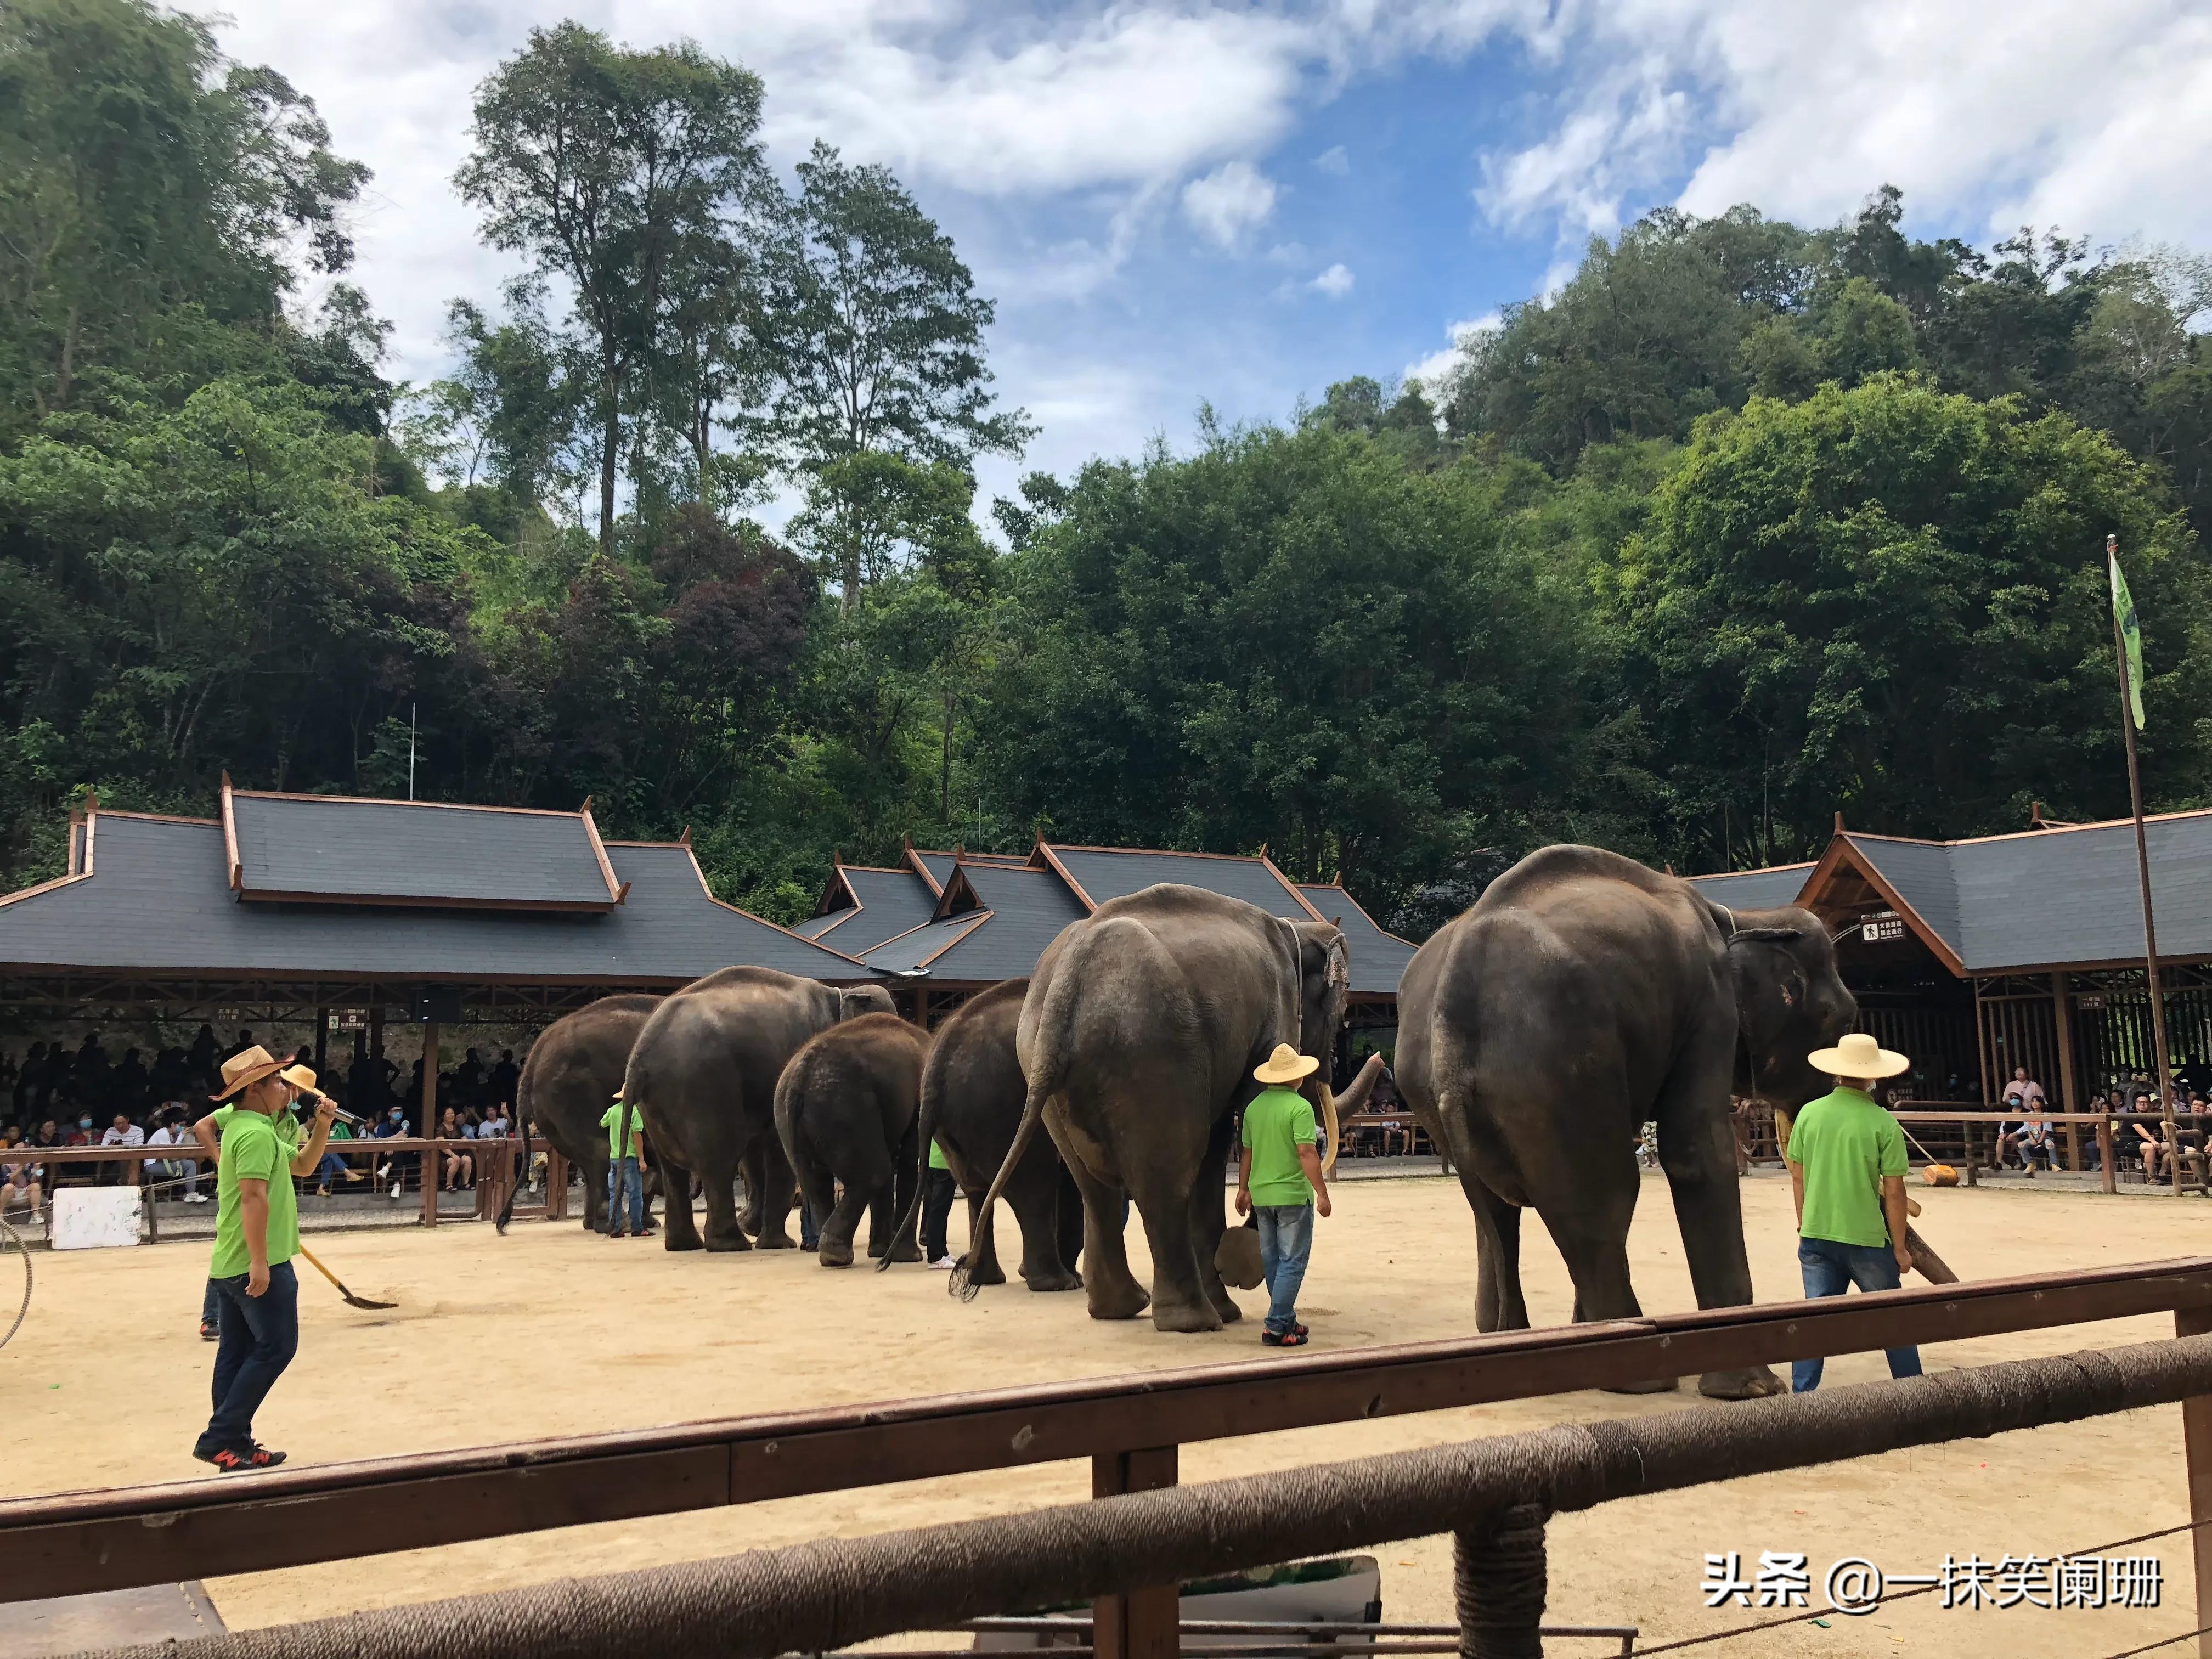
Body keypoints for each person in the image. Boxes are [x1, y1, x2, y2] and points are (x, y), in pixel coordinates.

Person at [194, 1045, 335, 1471]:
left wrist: (323, 1126)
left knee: (235, 1354)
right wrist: (260, 1262)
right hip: (259, 1260)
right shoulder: (256, 1133)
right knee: (276, 1347)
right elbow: (253, 1198)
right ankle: (219, 1438)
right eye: (276, 1081)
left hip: (231, 1260)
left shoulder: (250, 1126)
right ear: (255, 1088)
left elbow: (303, 1166)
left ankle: (234, 1443)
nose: (283, 1088)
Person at [1785, 1031, 1922, 1392]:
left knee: (1814, 1320)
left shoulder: (1809, 1114)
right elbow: (1895, 1191)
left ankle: (1802, 1398)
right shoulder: (1883, 1123)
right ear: (1873, 1077)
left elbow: (1798, 1178)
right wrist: (1900, 1248)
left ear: (1837, 1073)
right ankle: (1914, 1393)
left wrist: (1803, 1223)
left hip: (1816, 1234)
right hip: (1866, 1239)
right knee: (1893, 1320)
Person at [1236, 1043, 1333, 1350]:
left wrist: (1243, 1189)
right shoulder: (1300, 1108)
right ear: (1297, 1078)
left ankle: (1286, 1318)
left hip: (1262, 1196)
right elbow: (1306, 1152)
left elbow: (1247, 1153)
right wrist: (1322, 1193)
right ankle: (1276, 1325)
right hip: (1292, 1195)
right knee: (1293, 1261)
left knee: (1273, 1260)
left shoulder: (1253, 1108)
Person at [600, 1094, 648, 1238]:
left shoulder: (613, 1110)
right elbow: (637, 1135)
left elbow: (603, 1123)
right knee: (635, 1195)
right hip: (629, 1158)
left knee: (615, 1195)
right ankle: (637, 1228)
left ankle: (615, 1228)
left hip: (614, 1158)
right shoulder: (635, 1112)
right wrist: (642, 1159)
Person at [921, 1137, 958, 1269]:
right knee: (939, 1211)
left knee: (937, 1210)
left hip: (929, 1161)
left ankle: (942, 1251)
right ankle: (935, 1256)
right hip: (944, 1164)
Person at [98, 1110, 144, 1185]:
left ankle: (124, 1183)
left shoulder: (138, 1131)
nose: (120, 1126)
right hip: (112, 1158)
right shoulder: (110, 1131)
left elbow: (138, 1148)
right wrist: (112, 1146)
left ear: (128, 1120)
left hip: (131, 1158)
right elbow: (103, 1147)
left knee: (126, 1160)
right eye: (117, 1124)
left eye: (122, 1123)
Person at [438, 1107, 474, 1191]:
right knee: (455, 1160)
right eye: (448, 1114)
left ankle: (465, 1184)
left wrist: (470, 1145)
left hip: (458, 1154)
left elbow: (464, 1139)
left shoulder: (457, 1127)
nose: (451, 1115)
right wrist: (453, 1155)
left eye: (452, 1113)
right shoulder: (441, 1129)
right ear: (444, 1116)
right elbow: (442, 1146)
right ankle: (449, 1184)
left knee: (467, 1160)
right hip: (446, 1157)